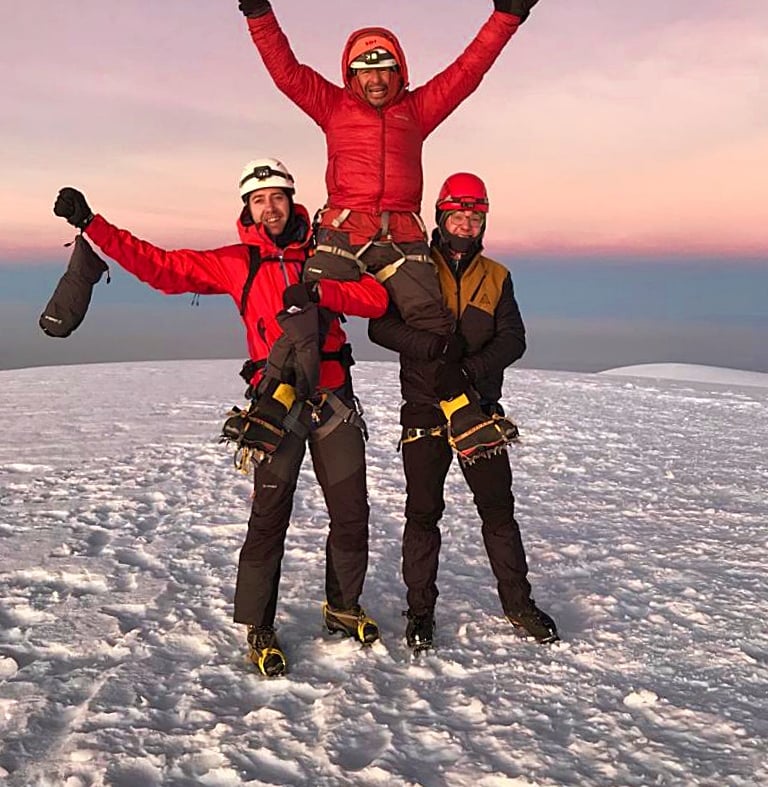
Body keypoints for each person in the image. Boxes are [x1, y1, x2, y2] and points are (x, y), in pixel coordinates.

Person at [52, 158, 389, 677]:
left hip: (333, 399)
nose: (270, 207)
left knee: (351, 512)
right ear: (248, 210)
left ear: (291, 199)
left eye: (276, 196)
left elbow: (375, 298)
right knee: (269, 518)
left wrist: (323, 290)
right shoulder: (236, 262)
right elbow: (161, 267)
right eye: (259, 200)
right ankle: (260, 625)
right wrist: (93, 224)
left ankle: (343, 606)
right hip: (275, 405)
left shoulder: (325, 256)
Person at [236, 0, 540, 461]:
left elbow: (467, 71)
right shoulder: (333, 105)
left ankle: (461, 410)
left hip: (402, 236)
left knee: (433, 324)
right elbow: (287, 71)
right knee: (305, 306)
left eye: (385, 69)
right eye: (364, 69)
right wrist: (259, 13)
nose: (376, 79)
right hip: (343, 230)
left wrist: (507, 17)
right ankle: (273, 401)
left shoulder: (417, 111)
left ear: (400, 72)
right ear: (351, 75)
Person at [368, 172, 559, 651]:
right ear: (441, 218)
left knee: (498, 511)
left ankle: (518, 605)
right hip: (424, 409)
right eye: (459, 215)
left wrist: (468, 372)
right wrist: (433, 346)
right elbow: (381, 328)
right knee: (423, 512)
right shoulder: (413, 268)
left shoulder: (497, 276)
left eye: (476, 216)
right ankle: (420, 611)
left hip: (479, 410)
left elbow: (513, 338)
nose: (468, 224)